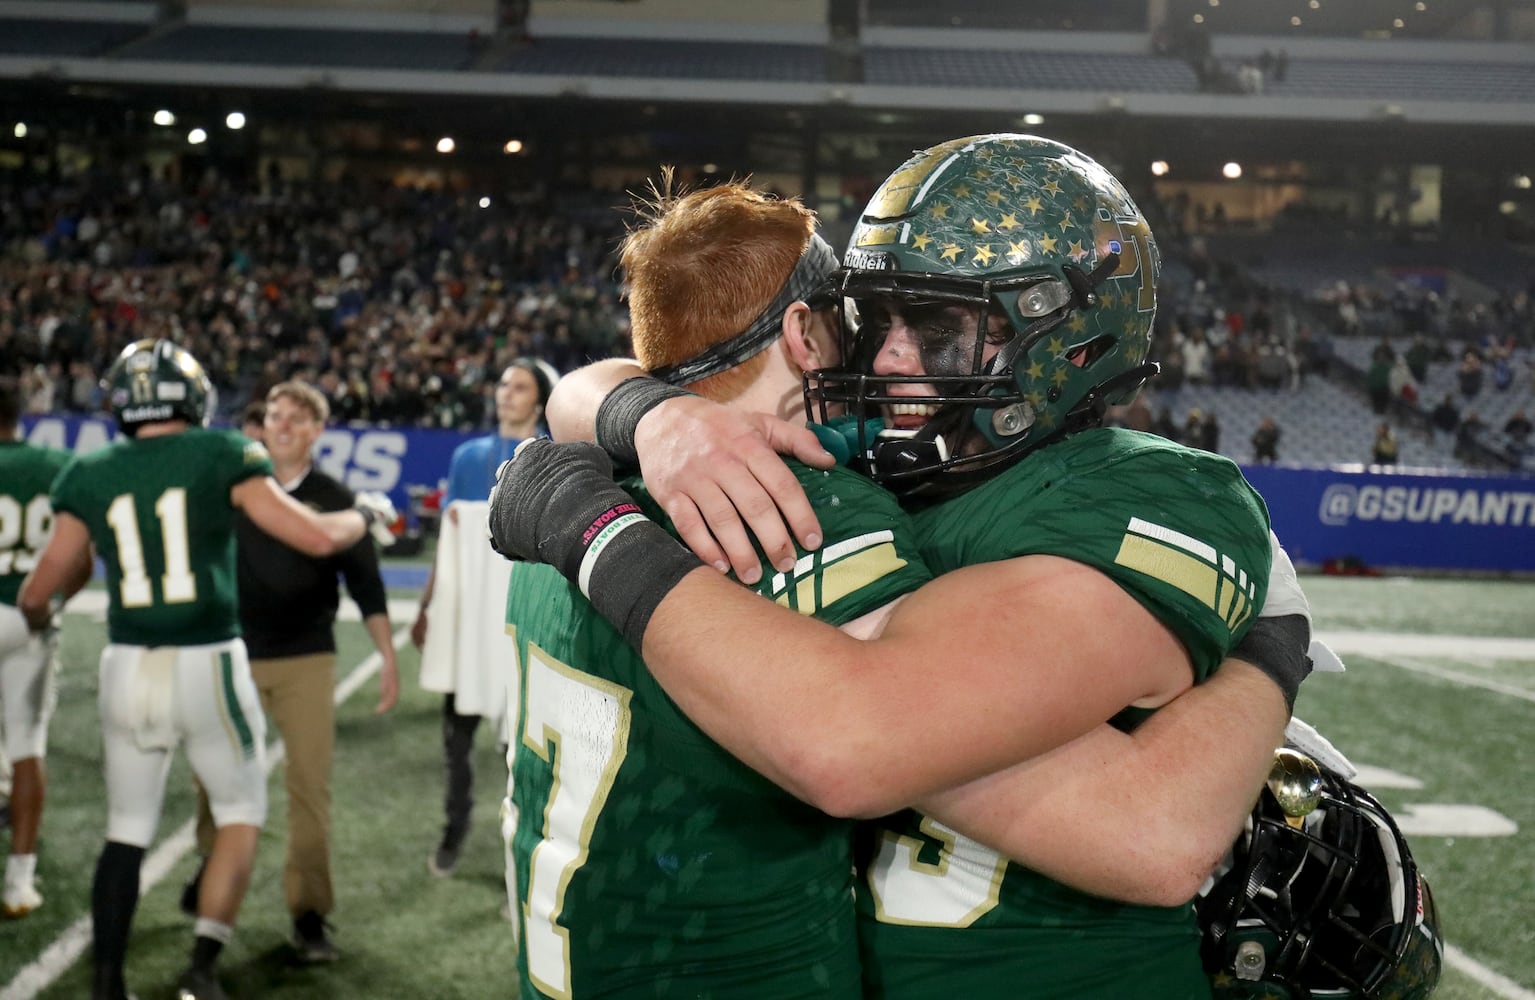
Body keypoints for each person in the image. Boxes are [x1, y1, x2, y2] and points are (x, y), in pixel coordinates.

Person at [494, 136, 1309, 998]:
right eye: (877, 318)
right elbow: (607, 388)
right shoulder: (860, 467)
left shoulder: (1145, 494)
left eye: (937, 326)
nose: (883, 357)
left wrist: (1270, 650)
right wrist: (648, 415)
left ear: (1069, 341)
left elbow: (1148, 833)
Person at [17, 340, 396, 1000]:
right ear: (192, 394)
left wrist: (47, 615)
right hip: (209, 659)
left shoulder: (90, 469)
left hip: (125, 661)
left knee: (125, 827)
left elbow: (39, 589)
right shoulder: (223, 452)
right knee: (240, 810)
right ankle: (201, 969)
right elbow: (313, 535)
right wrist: (363, 514)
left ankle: (107, 982)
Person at [184, 380, 399, 963]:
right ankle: (209, 865)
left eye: (297, 419)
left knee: (309, 790)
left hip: (306, 657)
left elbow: (366, 584)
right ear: (263, 422)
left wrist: (387, 656)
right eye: (275, 414)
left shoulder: (333, 494)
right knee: (211, 779)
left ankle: (308, 915)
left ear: (316, 432)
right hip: (233, 653)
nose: (282, 425)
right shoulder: (236, 490)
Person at [412, 357, 552, 877]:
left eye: (519, 387)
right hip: (470, 620)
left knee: (523, 744)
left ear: (538, 399)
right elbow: (449, 544)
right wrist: (428, 606)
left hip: (520, 618)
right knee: (457, 735)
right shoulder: (468, 456)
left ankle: (524, 851)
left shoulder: (547, 453)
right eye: (502, 385)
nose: (506, 394)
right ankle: (455, 829)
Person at [0, 376, 82, 918]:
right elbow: (83, 555)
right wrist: (52, 604)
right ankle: (19, 882)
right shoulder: (57, 465)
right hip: (26, 615)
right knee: (27, 746)